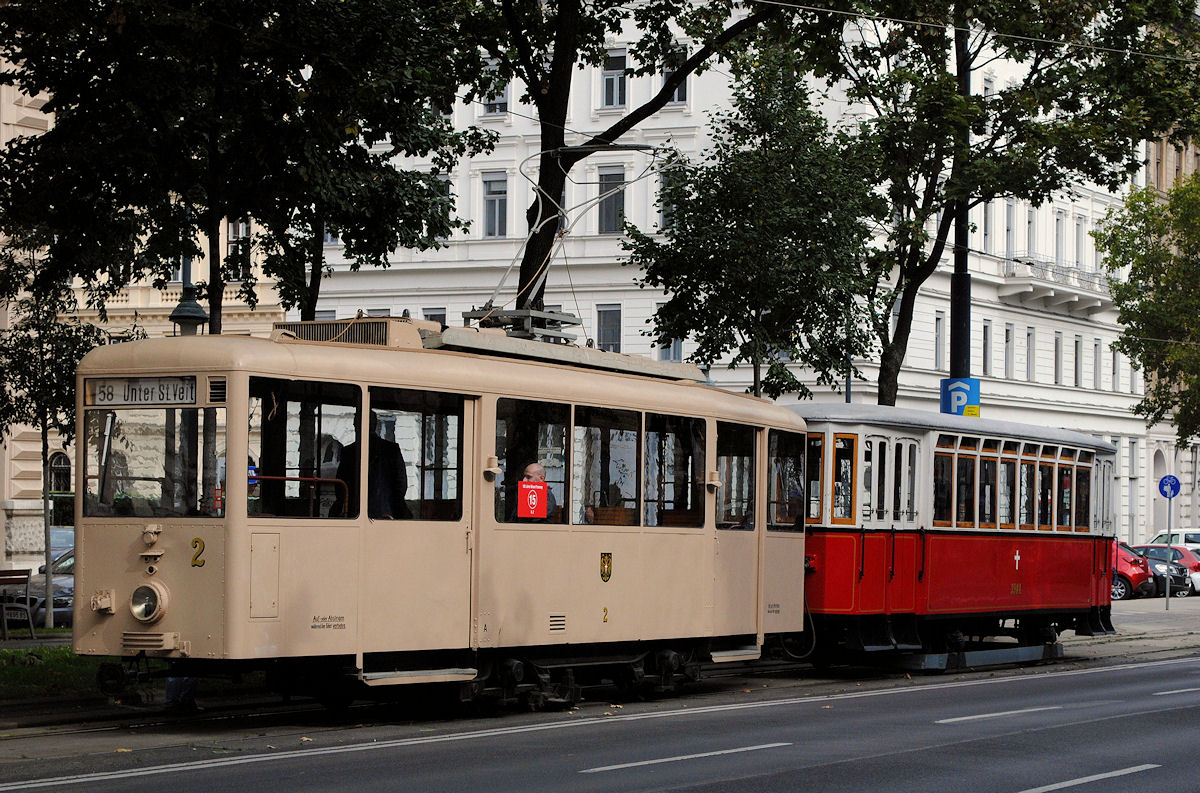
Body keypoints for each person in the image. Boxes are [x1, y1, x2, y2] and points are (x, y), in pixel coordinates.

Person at [331, 413, 410, 519]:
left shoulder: (349, 451)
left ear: (357, 426)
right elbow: (401, 484)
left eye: (355, 424)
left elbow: (341, 487)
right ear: (375, 425)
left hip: (354, 512)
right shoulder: (392, 449)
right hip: (387, 512)